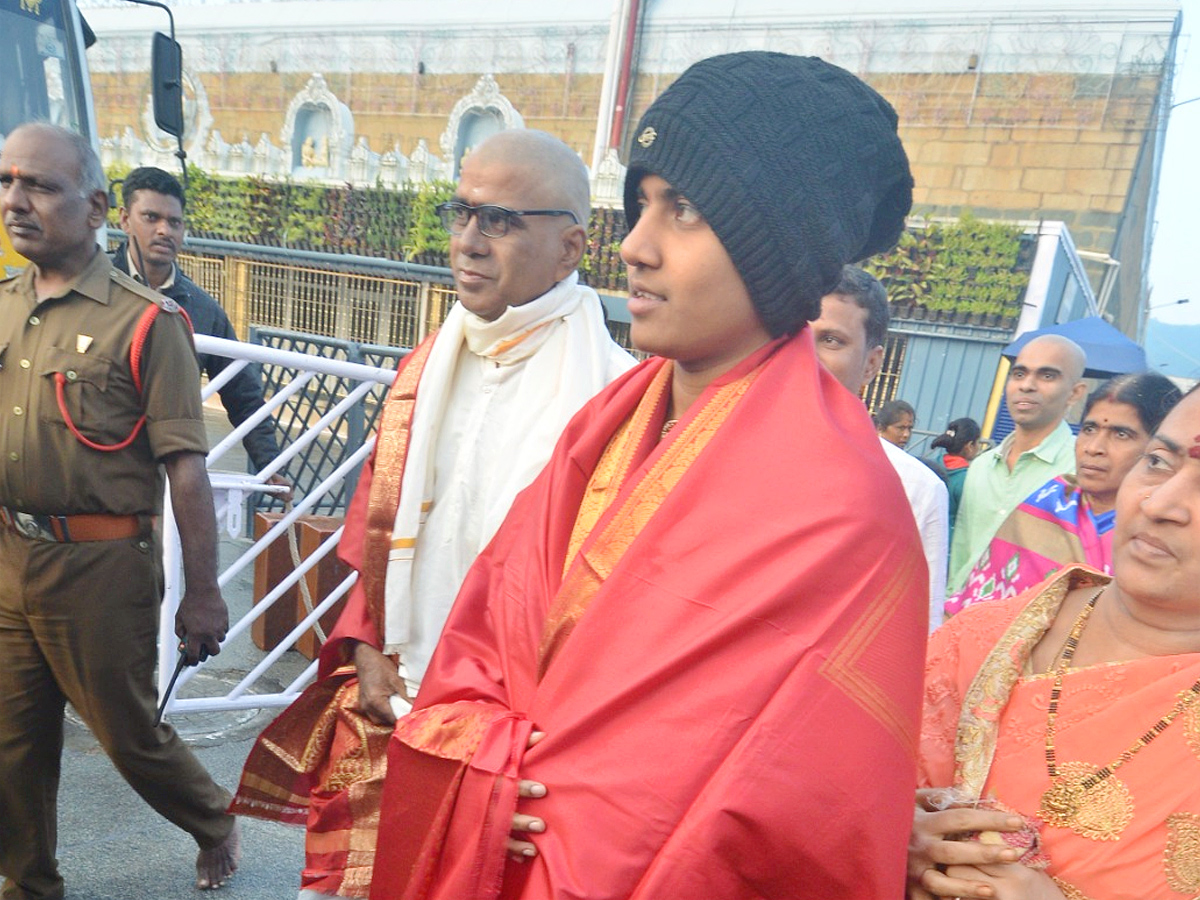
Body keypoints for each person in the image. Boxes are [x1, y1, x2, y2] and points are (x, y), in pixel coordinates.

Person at [367, 52, 927, 900]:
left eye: (685, 211)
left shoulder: (843, 507)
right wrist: (482, 761)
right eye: (642, 204)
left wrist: (569, 804)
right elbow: (484, 632)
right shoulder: (609, 422)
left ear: (777, 248)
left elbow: (801, 801)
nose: (634, 245)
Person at [229, 129, 634, 899]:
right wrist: (366, 645)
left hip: (515, 742)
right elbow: (376, 532)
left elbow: (614, 608)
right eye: (462, 212)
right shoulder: (427, 365)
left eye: (500, 221)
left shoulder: (617, 397)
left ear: (570, 247)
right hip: (397, 703)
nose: (468, 241)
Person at [0, 123, 239, 898]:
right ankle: (29, 885)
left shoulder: (148, 323)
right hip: (11, 561)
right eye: (6, 182)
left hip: (101, 568)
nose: (15, 201)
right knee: (10, 743)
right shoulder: (3, 305)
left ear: (97, 207)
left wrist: (202, 593)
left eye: (39, 185)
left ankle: (213, 818)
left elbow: (187, 470)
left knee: (127, 735)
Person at [908, 383, 1200, 900]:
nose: (1160, 504)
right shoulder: (978, 640)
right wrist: (893, 837)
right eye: (1158, 462)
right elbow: (821, 797)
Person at [112, 166, 290, 497]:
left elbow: (242, 393)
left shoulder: (203, 310)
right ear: (124, 219)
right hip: (95, 465)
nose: (164, 230)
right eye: (151, 217)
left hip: (166, 473)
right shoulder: (94, 288)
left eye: (174, 222)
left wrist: (270, 465)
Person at [947, 371, 1181, 618]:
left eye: (1121, 434)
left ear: (1158, 449)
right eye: (1089, 429)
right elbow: (973, 606)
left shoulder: (1166, 532)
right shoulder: (1045, 503)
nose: (1093, 448)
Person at [813, 265, 949, 631]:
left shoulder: (915, 490)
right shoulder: (722, 452)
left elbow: (919, 632)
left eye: (831, 340)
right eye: (793, 336)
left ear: (872, 365)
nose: (805, 356)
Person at [948, 335, 1087, 594]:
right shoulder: (982, 466)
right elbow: (963, 552)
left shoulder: (1082, 471)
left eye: (1047, 376)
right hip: (964, 613)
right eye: (1019, 374)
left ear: (1075, 392)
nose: (1027, 385)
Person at [928, 416, 982, 545]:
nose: (979, 447)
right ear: (970, 446)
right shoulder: (967, 479)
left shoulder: (931, 465)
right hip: (949, 543)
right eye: (978, 443)